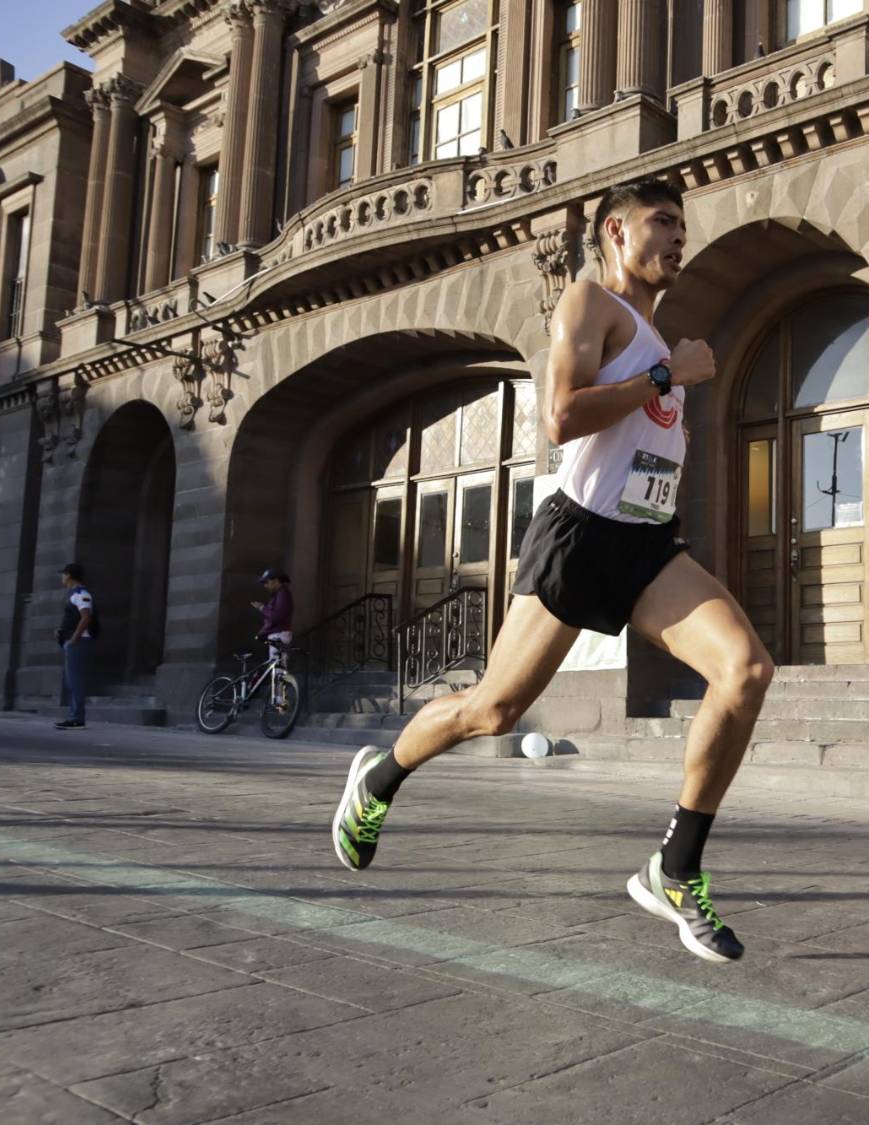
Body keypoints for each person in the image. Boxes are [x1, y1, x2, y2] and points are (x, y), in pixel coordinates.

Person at [329, 176, 772, 963]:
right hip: (577, 537)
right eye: (661, 222)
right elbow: (561, 416)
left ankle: (674, 868)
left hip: (645, 543)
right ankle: (379, 779)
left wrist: (671, 387)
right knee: (493, 710)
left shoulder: (664, 341)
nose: (677, 237)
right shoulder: (589, 305)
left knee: (745, 669)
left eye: (682, 225)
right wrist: (671, 378)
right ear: (614, 233)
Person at [55, 563, 98, 730]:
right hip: (73, 642)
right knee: (72, 681)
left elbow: (86, 618)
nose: (62, 578)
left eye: (63, 574)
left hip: (79, 643)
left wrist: (73, 639)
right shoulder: (74, 594)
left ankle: (77, 718)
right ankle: (74, 716)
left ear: (69, 576)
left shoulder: (81, 594)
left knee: (75, 681)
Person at [251, 569, 293, 666]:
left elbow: (276, 616)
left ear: (276, 581)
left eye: (266, 582)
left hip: (279, 635)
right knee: (276, 667)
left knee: (278, 669)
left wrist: (262, 608)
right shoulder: (280, 594)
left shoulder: (283, 594)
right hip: (277, 635)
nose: (265, 586)